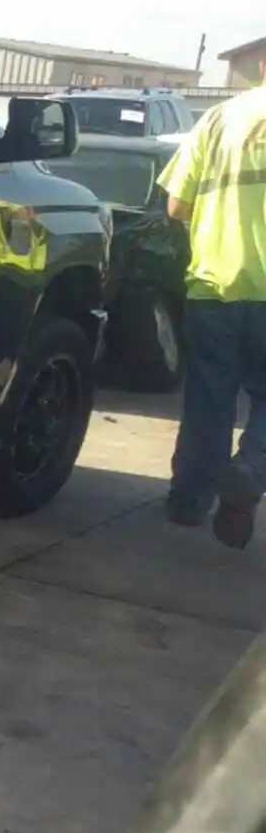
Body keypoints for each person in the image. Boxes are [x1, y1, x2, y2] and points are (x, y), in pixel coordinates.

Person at [161, 61, 266, 547]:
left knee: (209, 396)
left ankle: (190, 500)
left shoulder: (219, 118)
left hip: (216, 284)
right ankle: (251, 466)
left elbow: (176, 205)